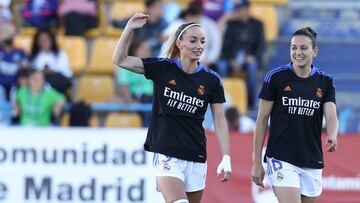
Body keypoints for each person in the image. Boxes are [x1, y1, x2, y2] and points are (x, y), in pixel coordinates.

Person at [112, 13, 231, 203]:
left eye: (202, 41)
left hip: (196, 155)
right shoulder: (163, 68)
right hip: (167, 154)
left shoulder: (212, 79)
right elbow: (120, 59)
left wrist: (226, 157)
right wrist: (129, 29)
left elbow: (219, 120)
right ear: (179, 43)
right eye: (193, 40)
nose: (199, 46)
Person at [251, 27, 339, 203]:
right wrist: (256, 162)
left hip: (311, 158)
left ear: (315, 51)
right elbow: (261, 121)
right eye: (293, 48)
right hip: (281, 156)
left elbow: (331, 115)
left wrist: (332, 134)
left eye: (303, 48)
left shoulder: (325, 81)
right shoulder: (275, 77)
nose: (297, 52)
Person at [217, 0, 265, 109]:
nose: (241, 12)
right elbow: (225, 46)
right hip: (232, 58)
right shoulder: (231, 25)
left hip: (250, 58)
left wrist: (252, 56)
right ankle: (222, 99)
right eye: (238, 10)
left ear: (248, 10)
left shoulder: (257, 24)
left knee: (252, 67)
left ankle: (251, 102)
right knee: (221, 66)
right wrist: (231, 60)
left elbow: (261, 46)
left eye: (243, 9)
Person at [30, 29, 72, 99]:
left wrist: (52, 71)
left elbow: (67, 74)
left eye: (46, 39)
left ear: (51, 40)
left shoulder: (60, 54)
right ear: (37, 42)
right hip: (40, 83)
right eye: (41, 39)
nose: (44, 41)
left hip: (57, 82)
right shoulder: (34, 56)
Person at [0, 23, 30, 101]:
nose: (8, 35)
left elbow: (27, 68)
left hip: (15, 86)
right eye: (5, 32)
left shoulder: (20, 52)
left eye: (10, 33)